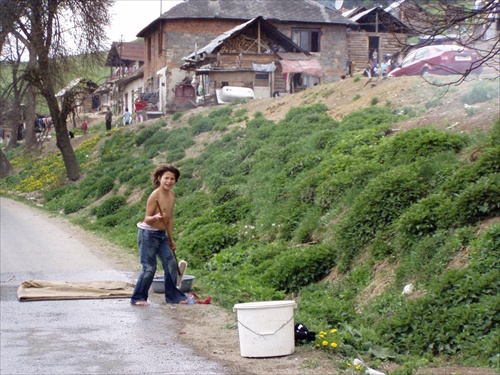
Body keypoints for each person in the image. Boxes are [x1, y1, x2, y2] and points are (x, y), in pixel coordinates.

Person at [130, 165, 187, 306]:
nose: (169, 181)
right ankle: (138, 298)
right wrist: (156, 217)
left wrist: (170, 238)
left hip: (162, 235)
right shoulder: (155, 195)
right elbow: (146, 219)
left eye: (172, 178)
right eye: (166, 178)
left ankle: (173, 296)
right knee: (149, 267)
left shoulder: (172, 195)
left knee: (171, 263)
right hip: (147, 234)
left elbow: (171, 218)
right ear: (159, 178)